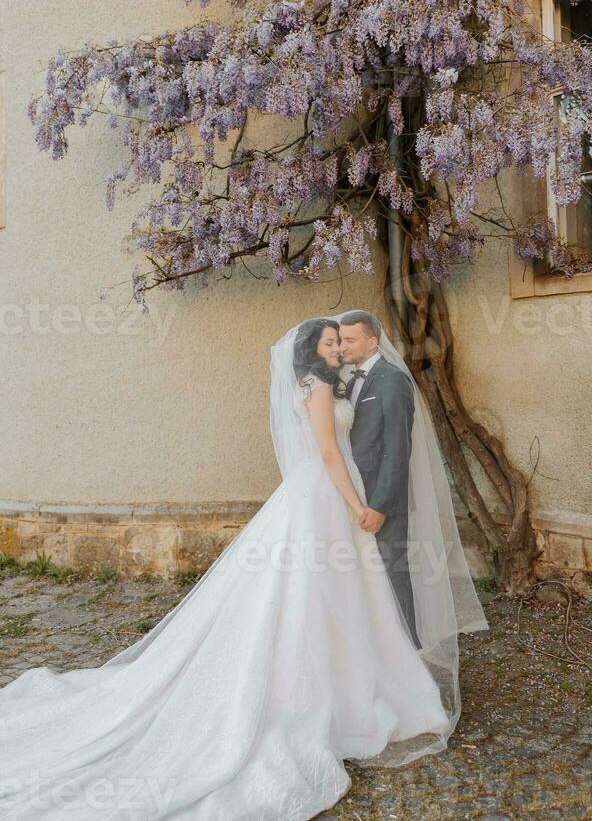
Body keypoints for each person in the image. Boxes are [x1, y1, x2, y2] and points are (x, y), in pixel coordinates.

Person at [0, 312, 488, 821]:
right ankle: (325, 685)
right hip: (327, 496)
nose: (338, 347)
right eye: (329, 341)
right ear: (311, 350)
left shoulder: (327, 382)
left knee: (339, 589)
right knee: (316, 589)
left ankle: (356, 670)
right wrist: (353, 503)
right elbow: (326, 452)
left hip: (321, 496)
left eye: (341, 341)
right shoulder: (317, 385)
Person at [339, 310, 420, 647]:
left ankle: (410, 652)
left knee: (393, 575)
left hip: (381, 501)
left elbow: (397, 449)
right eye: (340, 340)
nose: (342, 346)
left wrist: (381, 505)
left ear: (372, 341)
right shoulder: (346, 380)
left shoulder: (392, 380)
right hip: (355, 497)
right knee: (364, 580)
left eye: (349, 339)